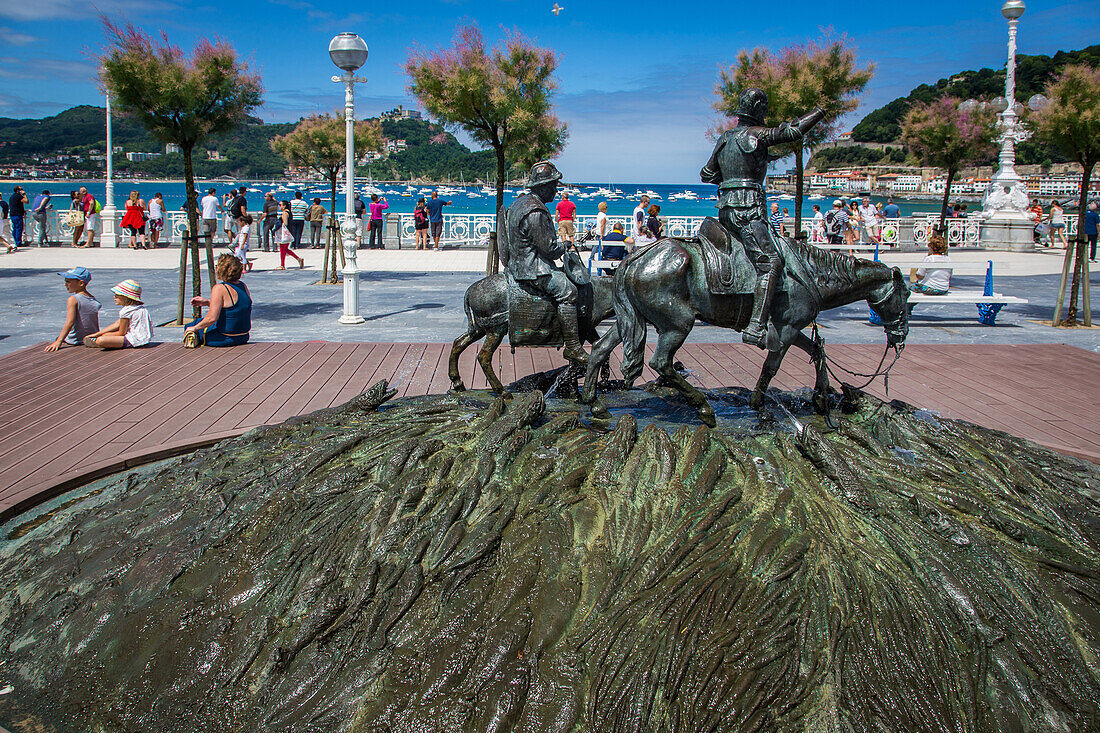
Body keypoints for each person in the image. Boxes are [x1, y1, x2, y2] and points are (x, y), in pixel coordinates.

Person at [700, 87, 824, 347]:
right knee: (770, 262)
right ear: (758, 109)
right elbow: (792, 131)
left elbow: (706, 174)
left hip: (725, 209)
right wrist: (820, 111)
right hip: (749, 209)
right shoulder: (755, 135)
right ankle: (756, 325)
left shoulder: (724, 139)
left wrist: (730, 172)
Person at [501, 160, 588, 365]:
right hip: (532, 269)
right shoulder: (535, 211)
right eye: (553, 185)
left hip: (519, 263)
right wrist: (565, 246)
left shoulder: (519, 203)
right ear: (543, 186)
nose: (556, 190)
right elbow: (548, 249)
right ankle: (574, 348)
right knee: (569, 291)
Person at [183, 254, 252, 348]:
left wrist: (194, 328)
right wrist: (208, 302)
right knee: (202, 323)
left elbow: (211, 318)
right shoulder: (243, 286)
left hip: (224, 338)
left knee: (192, 325)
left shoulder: (220, 288)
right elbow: (235, 308)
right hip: (243, 336)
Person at [44, 266, 101, 352]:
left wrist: (58, 341)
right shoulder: (94, 300)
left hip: (75, 340)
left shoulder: (73, 299)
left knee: (58, 338)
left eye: (68, 281)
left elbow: (70, 322)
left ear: (81, 283)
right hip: (91, 337)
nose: (65, 284)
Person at [84, 279, 152, 349]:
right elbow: (117, 324)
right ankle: (105, 341)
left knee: (101, 340)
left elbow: (121, 333)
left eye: (117, 295)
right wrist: (98, 334)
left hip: (133, 340)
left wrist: (103, 335)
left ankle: (101, 343)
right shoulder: (140, 308)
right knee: (105, 335)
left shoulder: (126, 311)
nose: (114, 297)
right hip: (144, 339)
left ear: (126, 297)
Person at [275, 200, 304, 270]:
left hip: (285, 233)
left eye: (280, 205)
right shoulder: (289, 212)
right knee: (285, 249)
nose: (279, 206)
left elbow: (285, 223)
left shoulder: (285, 213)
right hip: (289, 233)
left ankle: (282, 265)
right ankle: (298, 259)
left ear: (284, 206)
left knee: (282, 249)